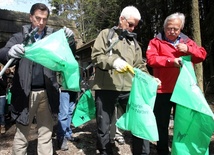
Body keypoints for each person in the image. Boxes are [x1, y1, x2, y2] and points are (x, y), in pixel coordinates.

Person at [0, 3, 74, 155]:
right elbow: (3, 52)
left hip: (47, 93)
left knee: (46, 134)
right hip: (25, 93)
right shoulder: (20, 37)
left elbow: (68, 56)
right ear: (30, 17)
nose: (41, 22)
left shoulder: (52, 39)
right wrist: (10, 52)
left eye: (44, 19)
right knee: (22, 135)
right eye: (37, 18)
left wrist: (71, 41)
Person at [91, 6, 160, 155]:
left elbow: (139, 65)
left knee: (139, 122)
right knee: (104, 126)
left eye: (135, 25)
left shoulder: (133, 42)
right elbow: (96, 57)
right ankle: (105, 152)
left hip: (129, 89)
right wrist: (113, 62)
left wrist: (150, 78)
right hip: (106, 88)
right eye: (130, 24)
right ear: (121, 19)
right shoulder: (106, 35)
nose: (133, 28)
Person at [146, 12, 207, 155]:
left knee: (184, 123)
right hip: (163, 90)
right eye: (169, 28)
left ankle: (181, 150)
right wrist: (170, 61)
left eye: (176, 29)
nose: (172, 31)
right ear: (164, 27)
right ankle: (162, 150)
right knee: (162, 123)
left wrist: (189, 50)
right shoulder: (155, 42)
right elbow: (151, 59)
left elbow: (202, 55)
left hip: (184, 90)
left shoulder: (187, 41)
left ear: (181, 29)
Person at [56, 34, 79, 150]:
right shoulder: (62, 55)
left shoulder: (76, 58)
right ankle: (61, 137)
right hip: (64, 87)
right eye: (72, 41)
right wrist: (58, 85)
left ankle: (68, 134)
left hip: (74, 88)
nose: (74, 43)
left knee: (70, 112)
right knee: (63, 113)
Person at [0, 66, 8, 134]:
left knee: (1, 112)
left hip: (2, 96)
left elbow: (5, 85)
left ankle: (3, 126)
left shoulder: (3, 76)